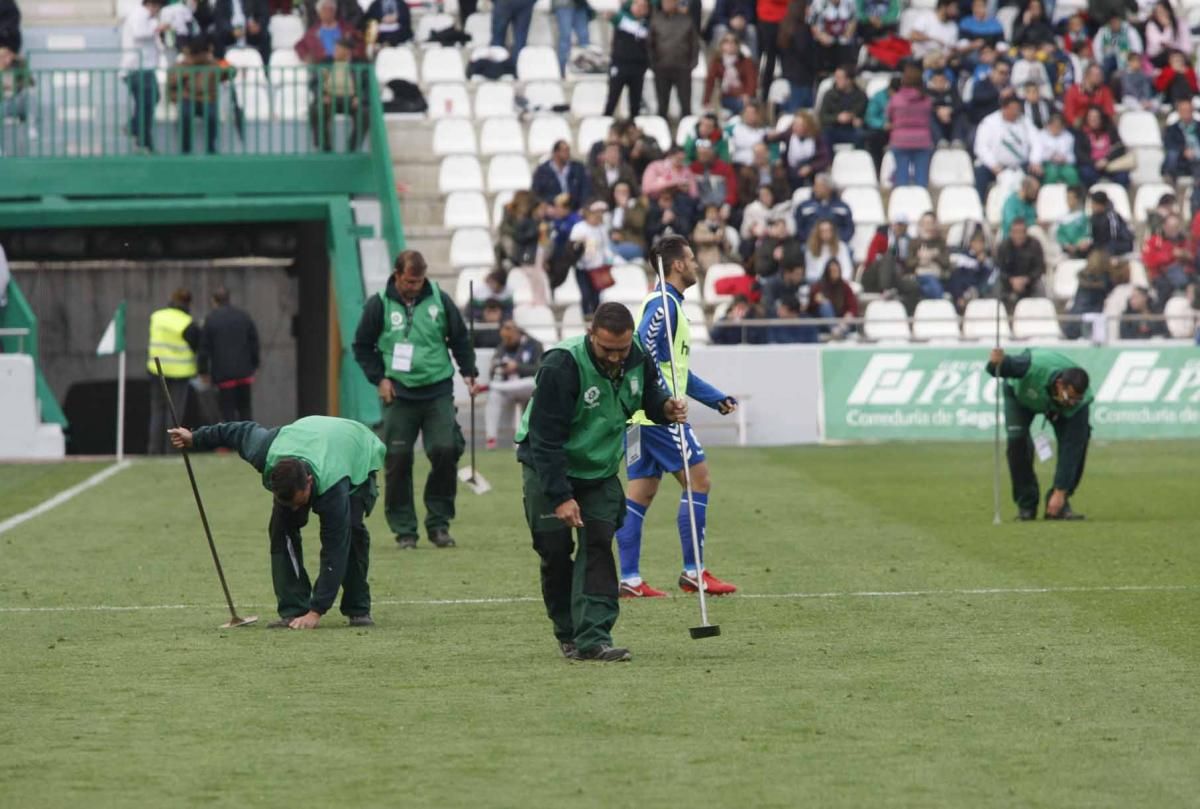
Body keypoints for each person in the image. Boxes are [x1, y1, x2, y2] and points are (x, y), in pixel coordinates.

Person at [516, 302, 688, 661]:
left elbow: (647, 393)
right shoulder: (560, 366)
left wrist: (665, 408)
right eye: (607, 349)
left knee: (597, 543)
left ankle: (594, 637)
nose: (615, 357)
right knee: (554, 552)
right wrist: (561, 496)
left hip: (599, 470)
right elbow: (545, 440)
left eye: (621, 350)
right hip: (548, 466)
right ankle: (568, 632)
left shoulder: (636, 354)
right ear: (591, 334)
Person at [167, 416, 383, 628]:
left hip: (355, 450)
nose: (297, 509)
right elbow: (237, 431)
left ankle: (358, 608)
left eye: (300, 502)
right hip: (309, 438)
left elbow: (335, 549)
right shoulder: (263, 450)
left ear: (308, 481)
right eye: (290, 503)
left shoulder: (333, 486)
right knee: (281, 528)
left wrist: (316, 611)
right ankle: (293, 608)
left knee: (350, 532)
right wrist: (194, 437)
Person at [612, 237, 738, 599]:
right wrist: (664, 400)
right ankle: (693, 572)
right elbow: (643, 350)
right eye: (692, 259)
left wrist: (715, 399)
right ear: (678, 265)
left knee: (641, 493)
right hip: (660, 418)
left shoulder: (666, 305)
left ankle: (630, 580)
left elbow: (676, 370)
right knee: (699, 481)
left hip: (640, 418)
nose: (697, 264)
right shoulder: (665, 306)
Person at [351, 250, 478, 549]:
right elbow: (362, 346)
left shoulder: (440, 299)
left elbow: (459, 338)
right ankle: (405, 529)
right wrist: (379, 379)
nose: (414, 286)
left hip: (437, 389)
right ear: (397, 275)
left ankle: (439, 523)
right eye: (409, 281)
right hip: (398, 392)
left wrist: (469, 371)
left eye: (419, 281)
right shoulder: (378, 305)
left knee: (446, 449)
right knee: (397, 459)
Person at [986, 347, 1092, 521]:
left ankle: (1059, 503)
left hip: (1054, 406)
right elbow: (996, 370)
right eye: (1069, 397)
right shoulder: (1028, 365)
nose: (1072, 402)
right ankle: (1026, 505)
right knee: (1016, 443)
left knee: (1079, 441)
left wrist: (1060, 491)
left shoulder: (1079, 404)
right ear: (1059, 385)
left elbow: (1070, 450)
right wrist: (995, 362)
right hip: (1020, 395)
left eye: (1076, 399)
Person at [146, 288, 201, 455]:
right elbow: (197, 344)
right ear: (188, 303)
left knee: (157, 411)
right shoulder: (187, 323)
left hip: (156, 370)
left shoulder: (157, 317)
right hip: (180, 372)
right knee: (175, 413)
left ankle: (154, 450)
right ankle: (172, 450)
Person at [199, 286, 259, 422]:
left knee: (228, 412)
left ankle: (231, 442)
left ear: (214, 301)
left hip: (224, 376)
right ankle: (248, 440)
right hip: (245, 374)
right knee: (245, 409)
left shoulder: (211, 319)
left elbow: (204, 348)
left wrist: (203, 371)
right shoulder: (243, 316)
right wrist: (255, 365)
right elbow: (254, 342)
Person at [483, 320, 541, 449]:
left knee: (531, 383)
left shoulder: (534, 345)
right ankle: (491, 439)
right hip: (507, 388)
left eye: (510, 334)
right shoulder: (502, 347)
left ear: (517, 331)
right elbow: (492, 372)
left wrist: (517, 367)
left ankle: (490, 386)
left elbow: (540, 370)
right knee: (494, 396)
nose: (507, 339)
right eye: (505, 336)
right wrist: (499, 369)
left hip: (527, 387)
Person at [167, 38, 230, 155]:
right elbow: (172, 80)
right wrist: (188, 68)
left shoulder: (214, 63)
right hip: (188, 98)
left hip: (209, 99)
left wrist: (218, 59)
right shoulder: (184, 64)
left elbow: (231, 71)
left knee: (212, 116)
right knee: (185, 115)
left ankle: (211, 147)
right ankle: (185, 149)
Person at [121, 0, 167, 153]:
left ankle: (139, 134)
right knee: (146, 103)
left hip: (145, 67)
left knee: (148, 103)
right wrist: (157, 27)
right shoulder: (139, 14)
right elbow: (139, 33)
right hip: (137, 68)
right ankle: (139, 135)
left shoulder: (147, 18)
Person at [973, 95, 1037, 200]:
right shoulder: (989, 122)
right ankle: (981, 204)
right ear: (1004, 108)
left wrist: (1035, 160)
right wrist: (993, 165)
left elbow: (1036, 141)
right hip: (995, 167)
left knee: (1036, 172)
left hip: (1020, 165)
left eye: (1018, 109)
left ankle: (1032, 205)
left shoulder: (1025, 121)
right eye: (1013, 109)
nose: (1016, 112)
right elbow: (980, 147)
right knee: (981, 173)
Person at [650, 0, 700, 118]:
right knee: (662, 105)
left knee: (685, 104)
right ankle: (662, 132)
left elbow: (694, 43)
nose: (668, 4)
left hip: (682, 68)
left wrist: (692, 64)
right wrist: (653, 64)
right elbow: (650, 44)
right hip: (661, 67)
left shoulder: (686, 20)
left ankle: (686, 130)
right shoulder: (656, 20)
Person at [887, 62, 933, 187]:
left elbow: (889, 115)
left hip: (900, 139)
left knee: (901, 177)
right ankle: (921, 204)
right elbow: (929, 116)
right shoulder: (926, 99)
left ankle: (902, 203)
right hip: (922, 139)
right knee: (921, 179)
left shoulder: (896, 99)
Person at [570, 200, 617, 316]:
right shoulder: (579, 228)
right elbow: (572, 246)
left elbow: (605, 246)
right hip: (582, 267)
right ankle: (586, 316)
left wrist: (609, 260)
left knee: (596, 296)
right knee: (586, 295)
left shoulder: (602, 229)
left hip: (597, 267)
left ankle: (596, 318)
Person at [604, 0, 651, 117]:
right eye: (637, 5)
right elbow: (610, 15)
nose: (640, 9)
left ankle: (632, 129)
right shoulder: (622, 19)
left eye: (643, 7)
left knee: (635, 103)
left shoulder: (648, 26)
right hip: (620, 65)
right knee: (612, 99)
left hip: (638, 67)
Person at [1141, 212, 1195, 302]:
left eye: (1176, 227)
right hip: (1161, 275)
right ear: (1164, 226)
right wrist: (1171, 255)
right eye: (1171, 227)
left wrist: (1186, 255)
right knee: (1165, 288)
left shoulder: (1184, 240)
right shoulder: (1154, 241)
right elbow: (1148, 260)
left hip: (1184, 273)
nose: (1174, 230)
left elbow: (1192, 256)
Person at [703, 32, 758, 113]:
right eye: (727, 41)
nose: (731, 44)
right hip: (727, 96)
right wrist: (706, 101)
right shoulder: (717, 62)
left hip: (744, 96)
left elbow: (752, 80)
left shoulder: (746, 61)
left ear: (738, 45)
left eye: (734, 41)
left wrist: (748, 95)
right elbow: (710, 81)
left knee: (746, 106)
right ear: (721, 45)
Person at [995, 218, 1045, 309]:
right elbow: (999, 269)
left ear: (1026, 233)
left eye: (1021, 232)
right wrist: (1011, 280)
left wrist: (1026, 279)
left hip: (1030, 283)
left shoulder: (1035, 245)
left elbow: (1039, 268)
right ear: (1011, 233)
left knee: (1040, 286)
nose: (1018, 235)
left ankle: (1041, 312)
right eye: (1015, 232)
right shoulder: (1003, 247)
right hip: (1008, 283)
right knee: (997, 285)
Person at [295, 0, 363, 62]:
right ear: (319, 12)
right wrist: (306, 57)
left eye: (330, 9)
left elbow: (360, 44)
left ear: (335, 11)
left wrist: (350, 52)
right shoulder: (312, 32)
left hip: (345, 65)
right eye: (324, 9)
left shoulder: (347, 28)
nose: (327, 12)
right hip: (322, 67)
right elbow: (299, 45)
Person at [818, 65, 867, 149]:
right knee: (825, 135)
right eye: (836, 77)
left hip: (852, 130)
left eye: (840, 78)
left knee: (862, 135)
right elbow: (822, 117)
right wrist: (837, 118)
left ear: (849, 80)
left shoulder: (861, 96)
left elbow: (866, 115)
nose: (836, 80)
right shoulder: (829, 95)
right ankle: (829, 161)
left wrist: (859, 120)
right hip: (834, 128)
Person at [532, 140, 592, 209]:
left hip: (575, 208)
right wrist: (552, 200)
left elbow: (585, 189)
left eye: (568, 150)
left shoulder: (578, 168)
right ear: (556, 153)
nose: (568, 153)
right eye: (565, 151)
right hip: (552, 209)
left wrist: (583, 207)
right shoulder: (542, 171)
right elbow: (537, 194)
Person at [1032, 112, 1080, 186]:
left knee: (1072, 173)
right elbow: (1036, 154)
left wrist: (1065, 159)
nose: (1056, 128)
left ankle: (1074, 195)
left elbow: (1072, 158)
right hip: (1047, 164)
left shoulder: (1069, 137)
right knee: (1052, 173)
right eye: (1054, 125)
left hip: (1064, 164)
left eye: (1059, 126)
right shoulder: (1041, 136)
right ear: (1049, 125)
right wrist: (1050, 156)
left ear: (1063, 126)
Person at [609, 181, 648, 261]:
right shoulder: (614, 210)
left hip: (634, 244)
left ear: (629, 193)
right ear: (614, 194)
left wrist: (625, 208)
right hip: (618, 244)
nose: (622, 194)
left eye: (624, 191)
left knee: (608, 252)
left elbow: (638, 224)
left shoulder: (637, 206)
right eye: (619, 192)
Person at [804, 218, 853, 283]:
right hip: (818, 282)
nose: (826, 234)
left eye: (828, 230)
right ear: (817, 233)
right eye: (822, 231)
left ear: (832, 232)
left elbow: (847, 268)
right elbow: (810, 271)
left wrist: (840, 280)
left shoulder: (841, 246)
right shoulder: (811, 248)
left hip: (838, 282)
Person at [551, 0, 590, 75]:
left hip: (580, 4)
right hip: (563, 4)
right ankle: (562, 72)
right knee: (565, 38)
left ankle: (586, 70)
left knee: (584, 38)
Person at [1056, 184, 1092, 260]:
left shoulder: (1085, 216)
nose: (1067, 201)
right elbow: (1060, 235)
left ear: (1077, 199)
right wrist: (1066, 245)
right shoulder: (1062, 218)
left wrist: (1083, 242)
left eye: (1070, 198)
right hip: (1066, 252)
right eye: (1067, 198)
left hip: (1082, 251)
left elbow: (1088, 234)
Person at [1000, 175, 1039, 241]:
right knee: (1035, 231)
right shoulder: (1011, 202)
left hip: (1028, 239)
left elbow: (1034, 217)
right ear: (1025, 189)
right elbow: (1012, 223)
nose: (1035, 195)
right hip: (1011, 238)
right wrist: (1033, 222)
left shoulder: (1030, 203)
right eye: (1033, 191)